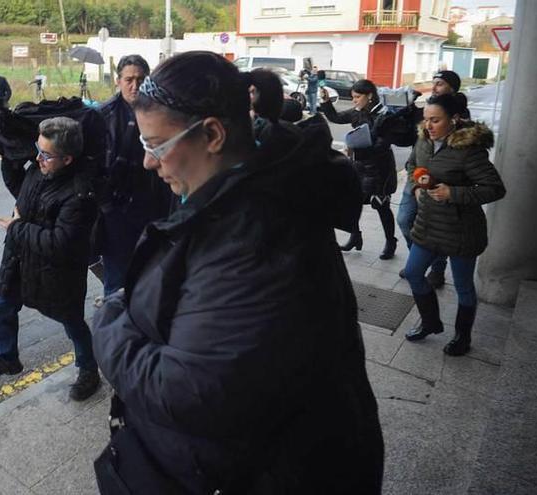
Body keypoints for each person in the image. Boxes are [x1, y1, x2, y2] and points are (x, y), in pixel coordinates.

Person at [92, 51, 383, 494]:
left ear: (212, 134)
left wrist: (110, 322)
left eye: (156, 145)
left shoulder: (256, 236)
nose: (150, 162)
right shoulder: (243, 187)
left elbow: (186, 391)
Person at [0, 117, 100, 402]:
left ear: (67, 159)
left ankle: (88, 370)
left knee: (71, 322)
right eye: (37, 149)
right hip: (21, 259)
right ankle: (7, 357)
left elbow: (59, 244)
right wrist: (9, 159)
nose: (38, 158)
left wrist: (16, 227)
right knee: (4, 304)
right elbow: (23, 191)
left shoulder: (79, 194)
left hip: (55, 273)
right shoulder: (40, 167)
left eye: (45, 154)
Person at [403, 93, 505, 356]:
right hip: (428, 223)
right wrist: (416, 186)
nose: (428, 126)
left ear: (455, 119)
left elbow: (494, 189)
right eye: (426, 120)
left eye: (435, 120)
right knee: (413, 273)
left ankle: (462, 336)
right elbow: (413, 163)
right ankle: (430, 322)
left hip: (461, 230)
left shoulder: (468, 149)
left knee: (463, 286)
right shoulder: (424, 140)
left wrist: (454, 193)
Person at [96, 54, 172, 296]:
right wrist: (107, 207)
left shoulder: (163, 112)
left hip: (155, 207)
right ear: (118, 81)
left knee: (153, 279)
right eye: (129, 79)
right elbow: (95, 168)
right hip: (116, 213)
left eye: (140, 79)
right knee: (116, 283)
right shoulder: (103, 116)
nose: (135, 85)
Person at [397, 70, 469, 287]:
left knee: (435, 229)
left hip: (439, 183)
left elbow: (490, 185)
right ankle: (420, 260)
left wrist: (450, 191)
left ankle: (436, 268)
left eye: (440, 84)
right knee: (404, 220)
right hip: (417, 177)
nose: (435, 87)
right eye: (433, 83)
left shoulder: (459, 118)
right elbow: (411, 139)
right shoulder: (427, 112)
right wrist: (410, 108)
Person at [321, 79, 399, 259]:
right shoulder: (357, 112)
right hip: (359, 166)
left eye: (357, 97)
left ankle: (390, 241)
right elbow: (336, 118)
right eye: (353, 97)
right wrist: (325, 101)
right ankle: (355, 236)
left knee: (381, 205)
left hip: (380, 168)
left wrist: (356, 146)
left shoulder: (384, 113)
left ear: (369, 96)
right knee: (352, 201)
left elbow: (383, 143)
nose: (354, 101)